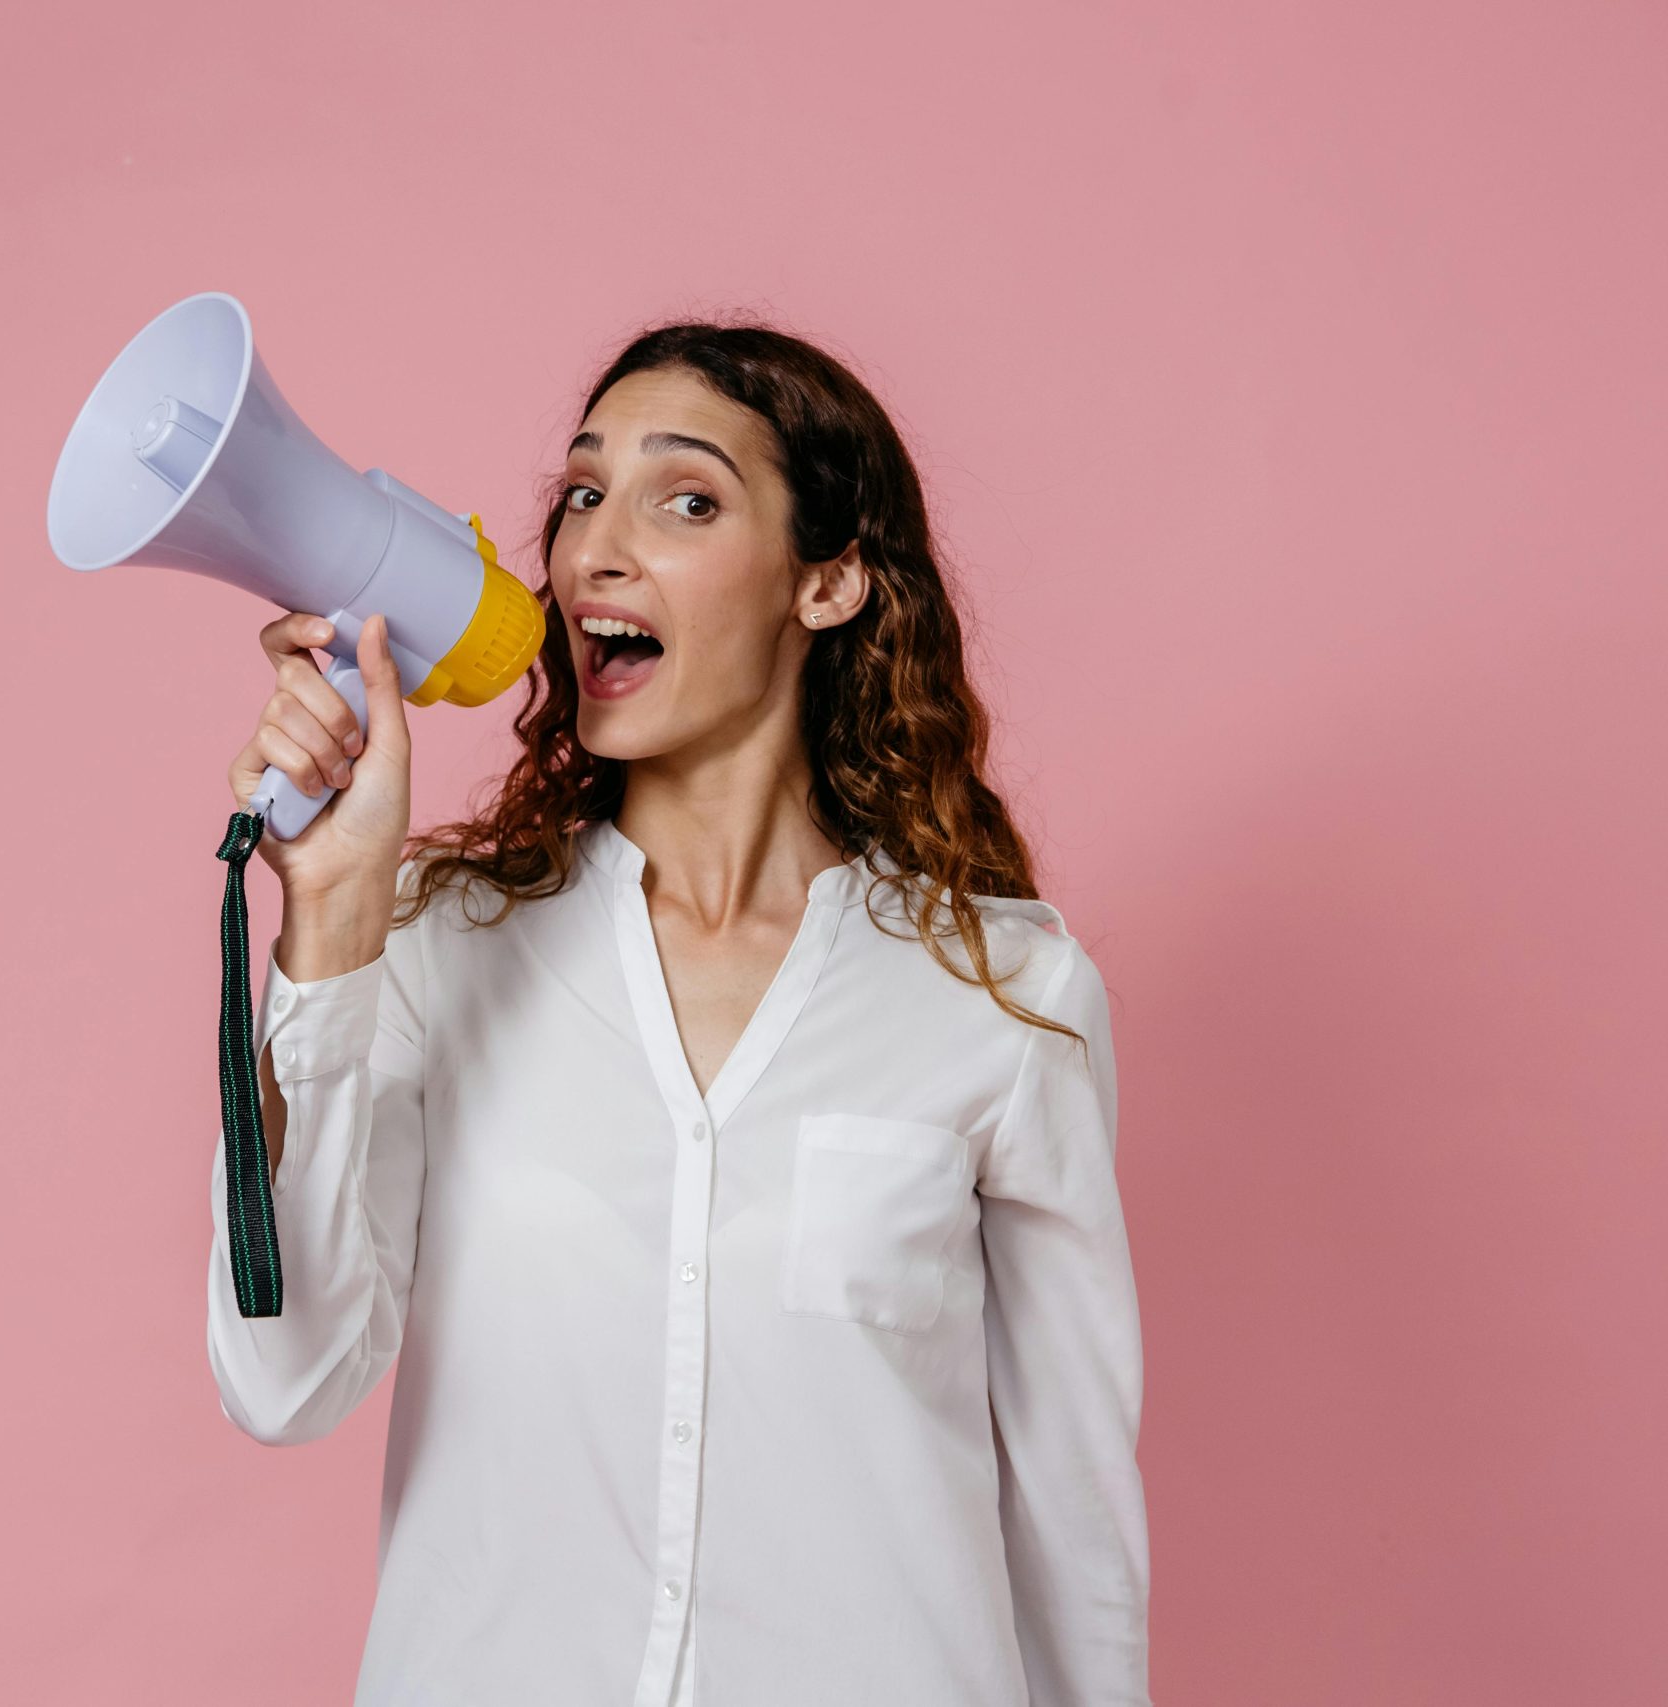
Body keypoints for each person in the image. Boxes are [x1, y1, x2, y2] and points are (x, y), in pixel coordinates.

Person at [205, 319, 1149, 1705]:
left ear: (826, 583)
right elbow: (281, 1383)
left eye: (686, 500)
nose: (594, 549)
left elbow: (1073, 1514)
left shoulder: (1000, 998)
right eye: (582, 494)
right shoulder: (432, 947)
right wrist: (333, 922)